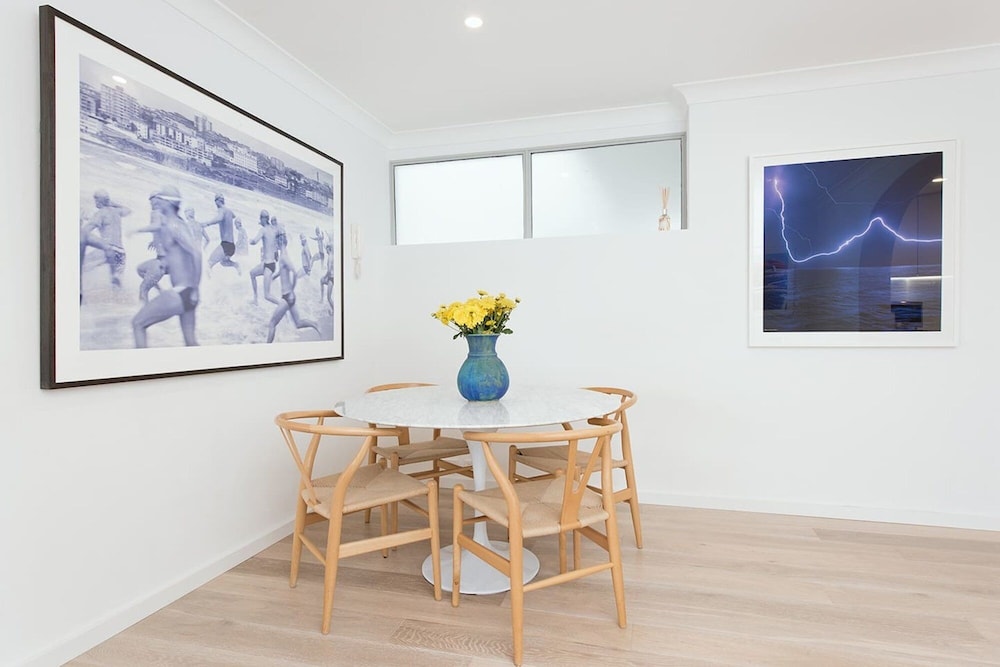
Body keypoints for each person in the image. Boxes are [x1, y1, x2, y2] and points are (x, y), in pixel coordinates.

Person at [131, 185, 203, 348]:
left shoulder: (174, 226)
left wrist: (195, 288)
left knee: (137, 324)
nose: (158, 202)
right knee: (190, 342)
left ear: (168, 203)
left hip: (183, 291)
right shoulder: (174, 224)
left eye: (161, 199)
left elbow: (197, 253)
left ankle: (140, 364)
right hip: (187, 293)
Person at [266, 243, 320, 343]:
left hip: (287, 296)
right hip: (289, 296)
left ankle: (266, 348)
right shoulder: (283, 256)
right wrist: (274, 277)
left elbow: (294, 272)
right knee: (298, 323)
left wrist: (291, 289)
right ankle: (314, 324)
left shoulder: (284, 257)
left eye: (276, 242)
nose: (274, 245)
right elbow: (283, 270)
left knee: (272, 323)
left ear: (279, 241)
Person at [80, 189, 130, 288]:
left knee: (80, 265)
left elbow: (85, 231)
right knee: (116, 284)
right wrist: (113, 203)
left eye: (95, 199)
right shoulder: (117, 212)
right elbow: (128, 210)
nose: (95, 202)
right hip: (121, 253)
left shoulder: (100, 213)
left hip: (107, 249)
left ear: (98, 201)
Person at [199, 193, 241, 275]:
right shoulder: (229, 211)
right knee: (223, 262)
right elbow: (233, 216)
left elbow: (219, 218)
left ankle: (209, 282)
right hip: (232, 246)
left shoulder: (221, 210)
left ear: (217, 201)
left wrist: (207, 223)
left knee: (209, 263)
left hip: (225, 245)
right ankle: (236, 265)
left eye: (215, 202)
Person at [248, 209, 280, 305]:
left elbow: (255, 241)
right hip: (270, 264)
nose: (259, 220)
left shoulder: (263, 230)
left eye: (260, 218)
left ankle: (282, 306)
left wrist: (251, 241)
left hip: (268, 266)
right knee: (252, 273)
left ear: (263, 219)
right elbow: (276, 248)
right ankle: (255, 300)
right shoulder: (273, 230)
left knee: (267, 295)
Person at [319, 241, 335, 315]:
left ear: (329, 249)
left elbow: (329, 271)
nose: (325, 250)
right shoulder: (333, 256)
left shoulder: (330, 258)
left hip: (331, 278)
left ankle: (334, 311)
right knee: (321, 281)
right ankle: (322, 299)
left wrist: (325, 277)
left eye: (326, 248)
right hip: (332, 277)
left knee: (329, 297)